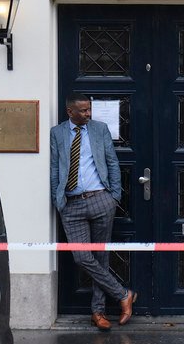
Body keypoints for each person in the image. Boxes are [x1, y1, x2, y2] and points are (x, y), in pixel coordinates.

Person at [50, 92, 136, 331]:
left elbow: (112, 162)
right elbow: (55, 168)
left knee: (101, 257)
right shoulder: (57, 133)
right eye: (83, 110)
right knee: (81, 257)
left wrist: (114, 197)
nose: (88, 114)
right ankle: (123, 294)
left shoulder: (99, 129)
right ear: (70, 112)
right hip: (71, 203)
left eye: (89, 109)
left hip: (101, 200)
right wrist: (59, 200)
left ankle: (97, 312)